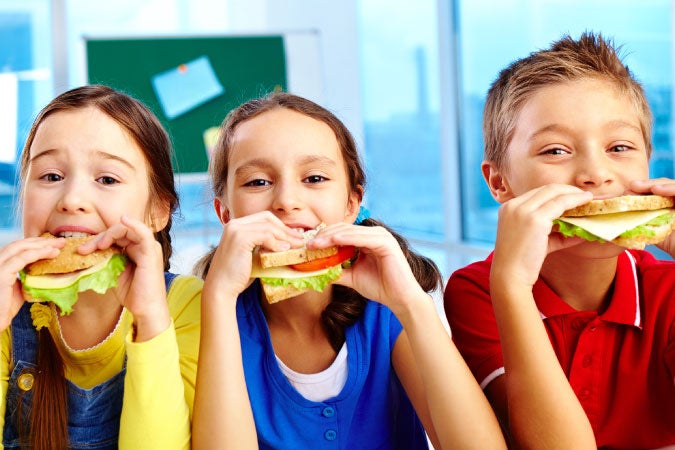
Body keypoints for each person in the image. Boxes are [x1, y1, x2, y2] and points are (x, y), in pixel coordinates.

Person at [191, 92, 506, 450]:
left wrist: (412, 304)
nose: (287, 201)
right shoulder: (206, 320)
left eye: (314, 178)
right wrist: (217, 298)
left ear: (351, 204)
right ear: (226, 215)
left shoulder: (384, 313)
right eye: (258, 182)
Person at [444, 32, 675, 449]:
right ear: (499, 182)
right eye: (555, 151)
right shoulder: (480, 290)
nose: (595, 174)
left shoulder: (667, 290)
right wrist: (512, 287)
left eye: (619, 147)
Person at [0, 85, 202, 450]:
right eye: (50, 176)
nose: (72, 199)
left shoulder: (187, 305)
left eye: (106, 179)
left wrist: (151, 318)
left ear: (158, 210)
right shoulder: (7, 316)